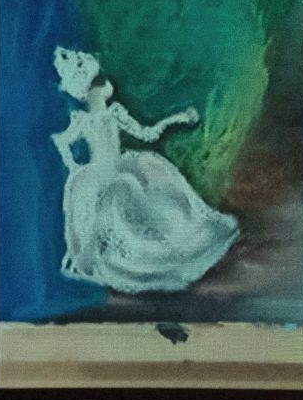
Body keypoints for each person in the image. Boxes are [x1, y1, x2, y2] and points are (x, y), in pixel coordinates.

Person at [50, 47, 239, 292]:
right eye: (101, 82)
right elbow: (61, 141)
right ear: (93, 90)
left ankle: (158, 255)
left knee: (144, 192)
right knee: (116, 204)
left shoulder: (114, 113)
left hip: (117, 170)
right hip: (103, 176)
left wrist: (177, 118)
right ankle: (131, 264)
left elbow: (147, 134)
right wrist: (74, 167)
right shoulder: (82, 120)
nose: (108, 85)